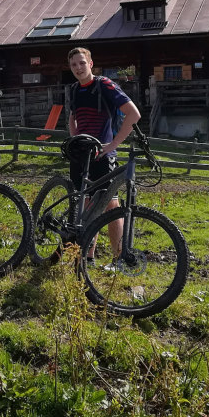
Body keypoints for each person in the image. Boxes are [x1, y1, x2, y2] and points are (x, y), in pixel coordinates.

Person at [64, 47, 141, 263]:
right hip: (82, 155)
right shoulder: (74, 89)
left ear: (90, 63)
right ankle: (88, 257)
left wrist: (113, 144)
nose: (78, 68)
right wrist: (75, 138)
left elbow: (133, 114)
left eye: (81, 63)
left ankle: (119, 258)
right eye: (73, 65)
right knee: (87, 205)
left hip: (102, 156)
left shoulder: (104, 84)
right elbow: (72, 117)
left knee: (109, 206)